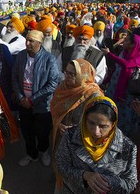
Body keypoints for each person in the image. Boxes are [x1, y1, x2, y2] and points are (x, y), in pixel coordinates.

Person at [55, 96, 137, 194]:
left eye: (103, 126)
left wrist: (109, 182)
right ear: (84, 118)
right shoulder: (70, 136)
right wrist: (84, 175)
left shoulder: (127, 148)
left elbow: (130, 183)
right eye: (91, 123)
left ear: (113, 125)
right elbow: (61, 165)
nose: (96, 131)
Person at [50, 59, 103, 188]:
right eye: (66, 72)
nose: (67, 76)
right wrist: (58, 123)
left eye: (72, 74)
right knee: (61, 165)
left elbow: (100, 125)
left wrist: (76, 130)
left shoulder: (94, 96)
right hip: (61, 137)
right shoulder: (63, 87)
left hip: (81, 144)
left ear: (83, 76)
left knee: (75, 175)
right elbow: (54, 109)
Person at [12, 30, 59, 167]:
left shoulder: (49, 59)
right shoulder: (21, 56)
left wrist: (32, 100)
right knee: (27, 132)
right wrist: (21, 98)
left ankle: (44, 151)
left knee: (42, 132)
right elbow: (14, 77)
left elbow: (53, 83)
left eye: (31, 41)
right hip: (23, 103)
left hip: (42, 105)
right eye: (27, 40)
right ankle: (31, 154)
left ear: (39, 43)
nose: (27, 43)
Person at [102, 33, 140, 137]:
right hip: (114, 89)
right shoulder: (124, 53)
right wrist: (105, 82)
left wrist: (109, 54)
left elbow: (127, 65)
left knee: (125, 121)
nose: (123, 42)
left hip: (127, 95)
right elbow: (115, 69)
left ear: (133, 45)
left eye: (126, 40)